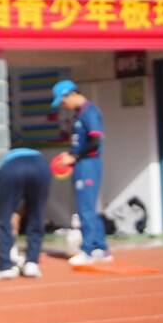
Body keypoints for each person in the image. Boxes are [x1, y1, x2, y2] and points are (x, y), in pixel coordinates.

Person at [52, 79, 111, 265]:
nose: (63, 105)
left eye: (63, 101)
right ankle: (100, 248)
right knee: (88, 207)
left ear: (70, 94)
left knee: (85, 208)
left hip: (88, 164)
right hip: (82, 163)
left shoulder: (90, 112)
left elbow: (95, 142)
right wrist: (70, 153)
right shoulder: (79, 114)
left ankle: (88, 250)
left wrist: (75, 156)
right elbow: (81, 142)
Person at [0, 147, 52, 279]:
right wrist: (17, 213)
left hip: (12, 169)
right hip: (40, 165)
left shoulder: (5, 163)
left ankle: (5, 267)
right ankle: (32, 263)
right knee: (37, 214)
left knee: (3, 218)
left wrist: (11, 214)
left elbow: (1, 205)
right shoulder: (34, 157)